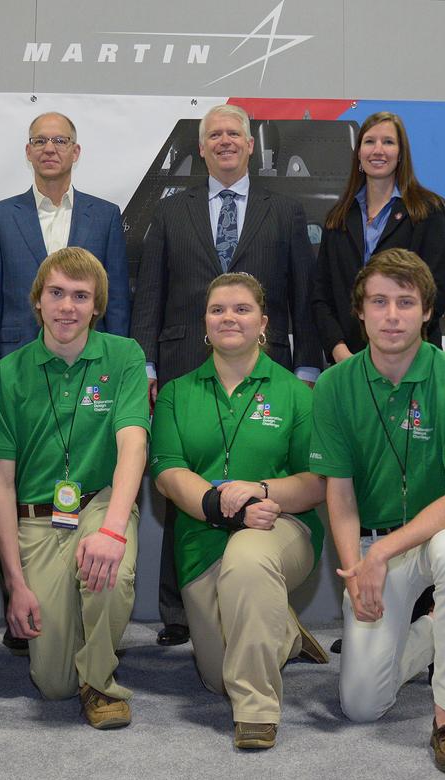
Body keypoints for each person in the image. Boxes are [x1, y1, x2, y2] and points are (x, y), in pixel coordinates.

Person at [132, 104, 321, 647]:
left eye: (234, 133)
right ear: (202, 148)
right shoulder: (171, 212)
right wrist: (146, 362)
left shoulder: (284, 211)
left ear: (250, 144)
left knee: (259, 471)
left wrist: (305, 366)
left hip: (267, 365)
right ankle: (177, 609)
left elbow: (302, 295)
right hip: (181, 363)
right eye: (214, 135)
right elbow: (151, 292)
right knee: (184, 477)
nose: (225, 142)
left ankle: (265, 603)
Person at [310, 248, 445, 772]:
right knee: (361, 706)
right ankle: (434, 632)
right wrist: (354, 570)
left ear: (427, 313)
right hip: (370, 544)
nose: (392, 315)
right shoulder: (335, 385)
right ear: (359, 311)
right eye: (379, 301)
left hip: (433, 535)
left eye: (405, 302)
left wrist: (381, 553)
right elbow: (337, 496)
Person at [150, 272, 327, 750]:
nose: (229, 317)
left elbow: (315, 483)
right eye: (218, 310)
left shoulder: (295, 394)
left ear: (263, 323)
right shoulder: (175, 393)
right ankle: (286, 632)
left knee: (249, 559)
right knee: (215, 678)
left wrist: (260, 491)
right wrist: (221, 506)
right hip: (201, 540)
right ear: (205, 325)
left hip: (279, 528)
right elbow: (167, 472)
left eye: (242, 309)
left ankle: (256, 710)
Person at [0, 248, 149, 728]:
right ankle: (76, 650)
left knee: (107, 567)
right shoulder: (9, 374)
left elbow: (133, 445)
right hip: (39, 520)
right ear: (38, 301)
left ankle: (100, 684)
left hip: (100, 504)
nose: (67, 307)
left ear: (97, 306)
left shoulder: (125, 356)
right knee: (53, 684)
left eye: (80, 296)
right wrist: (14, 584)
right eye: (56, 293)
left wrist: (114, 529)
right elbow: (0, 481)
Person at [0, 112, 131, 404]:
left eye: (60, 140)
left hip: (91, 363)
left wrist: (119, 365)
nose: (49, 148)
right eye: (40, 140)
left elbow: (116, 299)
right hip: (15, 360)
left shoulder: (105, 215)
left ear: (75, 151)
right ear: (28, 151)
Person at [311, 111, 445, 360]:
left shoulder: (427, 211)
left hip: (411, 356)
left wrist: (394, 348)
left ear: (401, 154)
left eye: (388, 142)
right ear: (359, 155)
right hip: (348, 360)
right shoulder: (338, 218)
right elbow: (322, 296)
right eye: (369, 141)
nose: (378, 150)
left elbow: (435, 291)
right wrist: (339, 350)